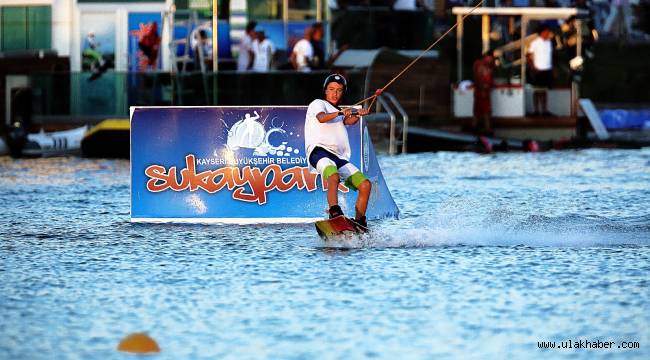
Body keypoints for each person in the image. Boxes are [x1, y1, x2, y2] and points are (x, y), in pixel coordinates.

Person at [304, 74, 371, 229]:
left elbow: (349, 121)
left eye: (339, 90)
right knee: (332, 175)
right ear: (325, 91)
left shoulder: (339, 112)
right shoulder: (318, 103)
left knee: (365, 185)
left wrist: (358, 114)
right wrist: (342, 112)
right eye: (332, 89)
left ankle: (360, 223)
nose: (335, 93)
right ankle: (334, 212)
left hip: (338, 157)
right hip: (318, 152)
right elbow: (321, 118)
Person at [527, 25, 554, 116]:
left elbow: (550, 56)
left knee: (545, 91)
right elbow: (529, 56)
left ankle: (544, 110)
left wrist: (552, 68)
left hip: (547, 70)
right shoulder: (535, 43)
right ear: (542, 32)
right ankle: (536, 111)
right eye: (547, 32)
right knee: (537, 91)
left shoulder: (549, 43)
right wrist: (533, 68)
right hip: (538, 70)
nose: (548, 33)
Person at [473, 50, 496, 134]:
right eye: (490, 58)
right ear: (487, 56)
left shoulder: (487, 65)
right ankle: (487, 128)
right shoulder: (480, 64)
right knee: (485, 110)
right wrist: (482, 89)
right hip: (482, 91)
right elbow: (478, 78)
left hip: (484, 90)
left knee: (479, 110)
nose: (491, 60)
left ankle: (475, 127)